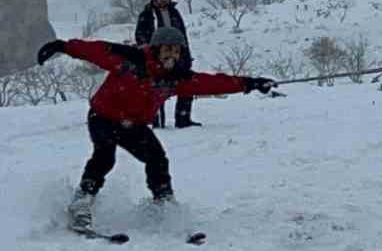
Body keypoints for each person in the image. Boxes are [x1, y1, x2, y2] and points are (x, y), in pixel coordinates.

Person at [35, 28, 275, 232]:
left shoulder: (176, 78)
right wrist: (62, 46)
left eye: (176, 50)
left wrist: (249, 83)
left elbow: (211, 82)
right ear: (157, 48)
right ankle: (81, 202)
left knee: (157, 159)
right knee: (105, 155)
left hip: (134, 125)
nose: (172, 54)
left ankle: (163, 203)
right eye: (167, 49)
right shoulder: (130, 59)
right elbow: (95, 50)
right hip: (103, 117)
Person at [135, 0, 197, 128]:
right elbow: (140, 36)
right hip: (156, 56)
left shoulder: (175, 13)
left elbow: (183, 35)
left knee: (186, 84)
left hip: (177, 55)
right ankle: (156, 121)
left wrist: (186, 56)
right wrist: (147, 52)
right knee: (156, 89)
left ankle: (183, 119)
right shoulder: (146, 14)